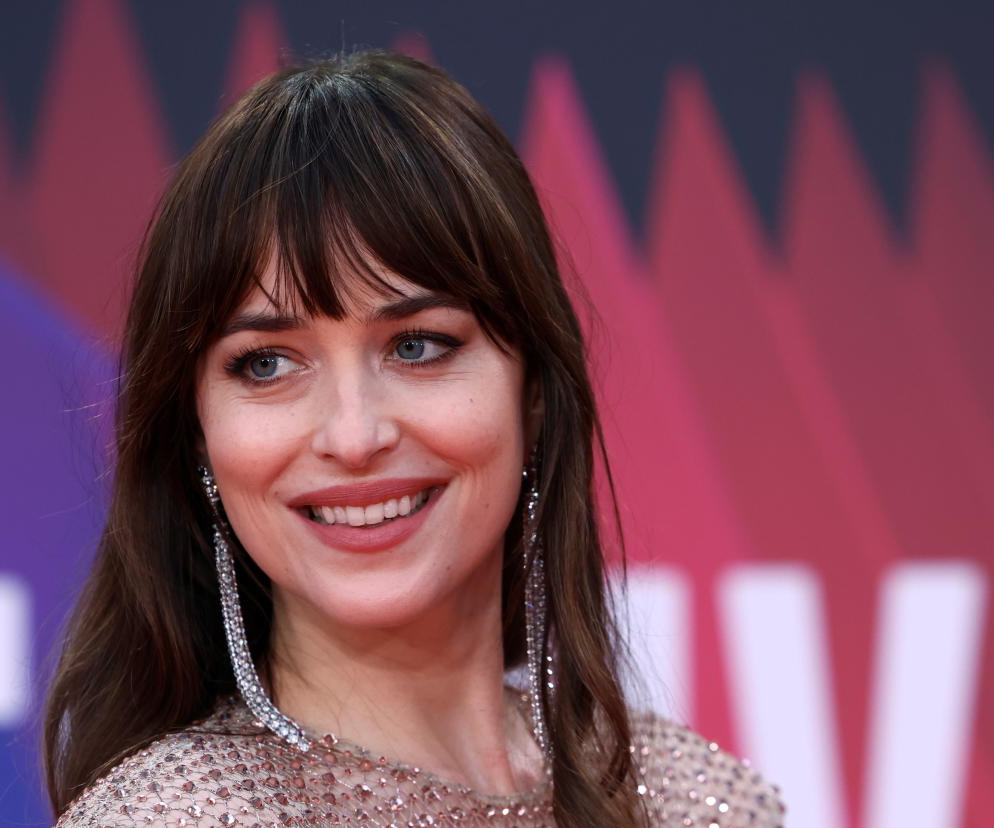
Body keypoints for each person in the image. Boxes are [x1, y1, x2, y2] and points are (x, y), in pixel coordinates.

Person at [43, 49, 784, 827]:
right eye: (266, 364)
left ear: (532, 391)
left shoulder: (693, 802)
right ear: (197, 436)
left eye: (418, 346)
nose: (354, 435)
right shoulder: (171, 818)